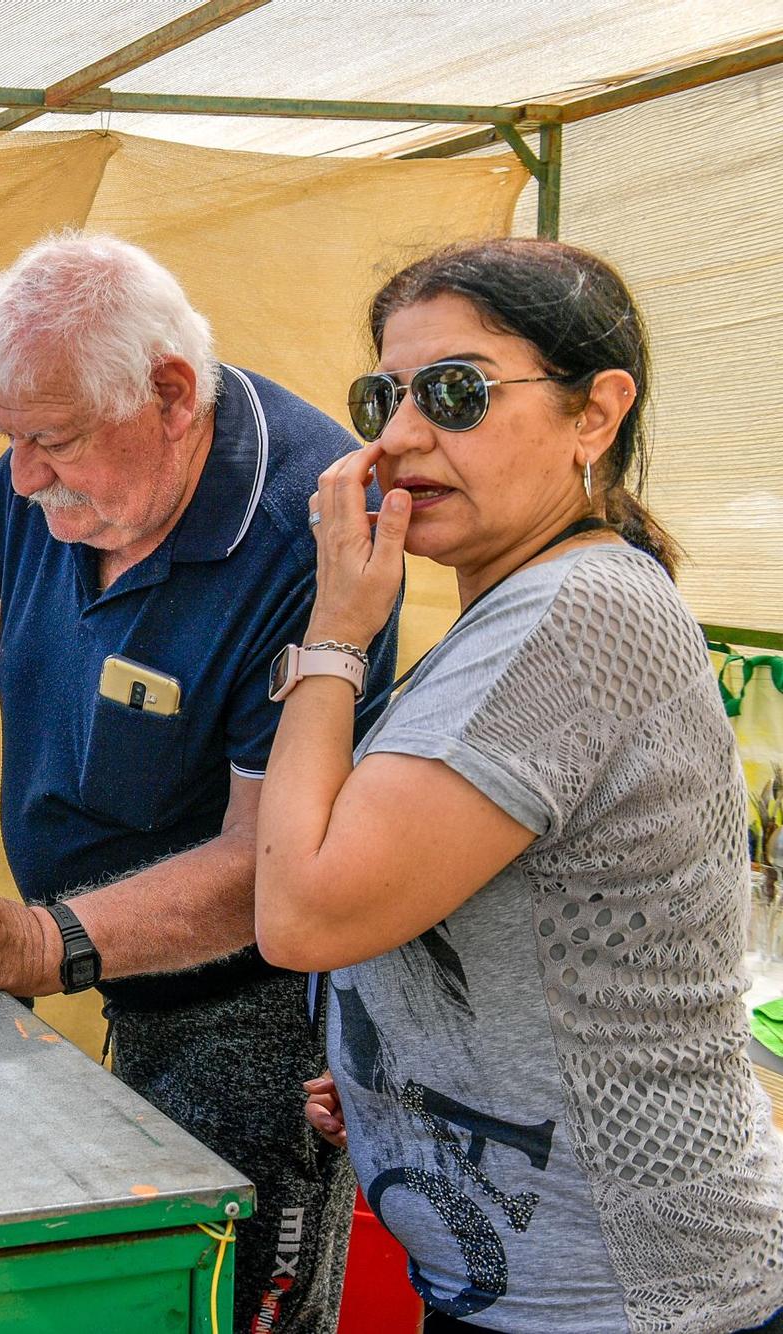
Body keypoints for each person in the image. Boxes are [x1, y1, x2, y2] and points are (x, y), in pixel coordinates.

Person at [0, 231, 396, 1334]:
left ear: (170, 394)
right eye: (6, 440)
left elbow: (265, 856)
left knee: (214, 1295)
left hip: (252, 1017)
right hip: (122, 973)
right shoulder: (54, 464)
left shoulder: (304, 538)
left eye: (48, 442)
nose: (21, 476)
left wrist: (41, 941)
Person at [254, 237, 783, 1334]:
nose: (398, 438)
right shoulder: (515, 609)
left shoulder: (576, 612)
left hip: (630, 1301)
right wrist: (394, 1071)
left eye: (453, 392)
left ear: (594, 413)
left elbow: (302, 909)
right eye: (382, 397)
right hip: (539, 1285)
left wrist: (333, 633)